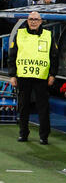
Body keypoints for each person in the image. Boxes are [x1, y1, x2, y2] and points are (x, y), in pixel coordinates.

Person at [8, 11, 59, 144]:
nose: (33, 21)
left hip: (42, 78)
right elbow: (12, 56)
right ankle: (23, 133)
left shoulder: (48, 35)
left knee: (43, 108)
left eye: (36, 19)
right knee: (23, 107)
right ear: (27, 20)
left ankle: (44, 136)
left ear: (41, 21)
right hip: (23, 77)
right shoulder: (20, 34)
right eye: (31, 19)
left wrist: (52, 74)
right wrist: (12, 75)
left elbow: (54, 56)